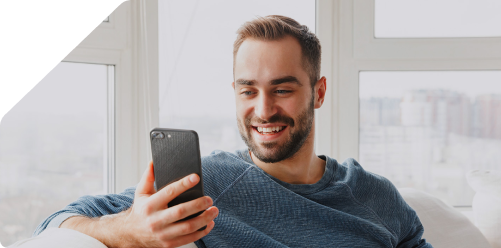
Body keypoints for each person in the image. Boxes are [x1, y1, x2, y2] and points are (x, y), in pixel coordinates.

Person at [34, 15, 432, 248]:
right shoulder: (204, 183)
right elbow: (56, 222)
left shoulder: (374, 196)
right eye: (248, 90)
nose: (263, 110)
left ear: (319, 92)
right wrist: (130, 228)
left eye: (283, 89)